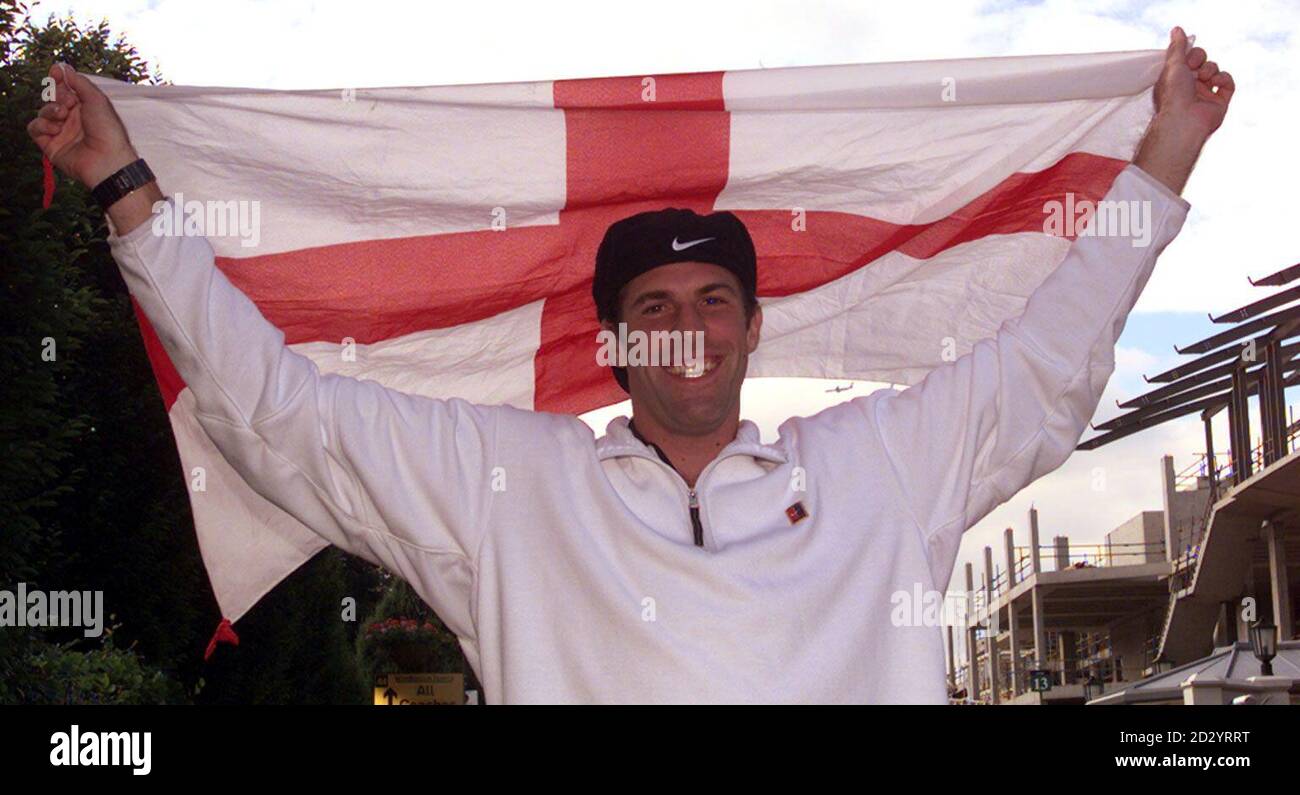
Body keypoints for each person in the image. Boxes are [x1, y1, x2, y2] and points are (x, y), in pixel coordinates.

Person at [28, 28, 1233, 703]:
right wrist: (124, 187)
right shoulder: (507, 491)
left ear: (754, 329)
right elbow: (277, 413)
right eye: (654, 305)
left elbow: (1042, 367)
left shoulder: (883, 467)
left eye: (717, 300)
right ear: (612, 345)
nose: (690, 326)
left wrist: (1164, 157)